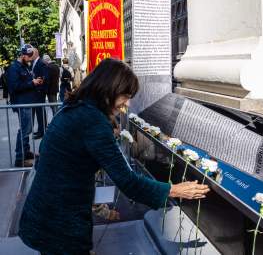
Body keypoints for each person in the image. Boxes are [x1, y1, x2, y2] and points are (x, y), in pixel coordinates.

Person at [19, 58, 209, 255]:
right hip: (60, 223)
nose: (127, 104)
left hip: (45, 214)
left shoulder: (75, 108)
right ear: (108, 89)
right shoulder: (92, 120)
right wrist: (174, 190)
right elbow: (128, 181)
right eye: (125, 96)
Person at [7, 45, 43, 167]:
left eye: (31, 56)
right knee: (24, 130)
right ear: (22, 55)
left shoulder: (24, 66)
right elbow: (14, 87)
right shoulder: (14, 68)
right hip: (21, 103)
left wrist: (35, 81)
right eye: (28, 56)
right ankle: (19, 158)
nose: (30, 58)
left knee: (27, 129)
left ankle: (26, 152)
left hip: (27, 102)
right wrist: (31, 83)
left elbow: (25, 83)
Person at [31, 46, 49, 139]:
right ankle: (40, 130)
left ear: (36, 53)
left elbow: (45, 77)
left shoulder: (41, 63)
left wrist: (40, 82)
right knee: (39, 112)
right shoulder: (34, 62)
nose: (30, 55)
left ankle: (42, 131)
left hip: (39, 91)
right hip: (36, 92)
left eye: (31, 53)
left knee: (40, 111)